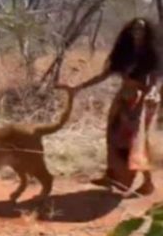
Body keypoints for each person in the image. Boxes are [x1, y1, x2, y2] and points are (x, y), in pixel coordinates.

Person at [68, 17, 163, 195]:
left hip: (144, 101)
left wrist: (150, 92)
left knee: (138, 141)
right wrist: (79, 87)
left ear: (147, 33)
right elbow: (104, 75)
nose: (137, 33)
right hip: (124, 99)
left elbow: (154, 80)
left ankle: (148, 182)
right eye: (134, 29)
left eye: (141, 30)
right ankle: (112, 176)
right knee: (112, 136)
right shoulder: (124, 53)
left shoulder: (152, 54)